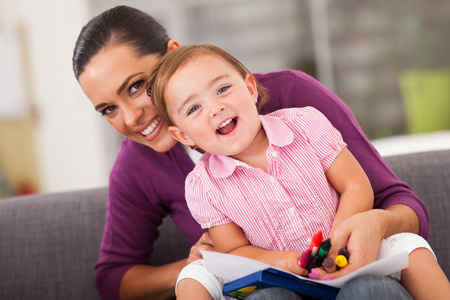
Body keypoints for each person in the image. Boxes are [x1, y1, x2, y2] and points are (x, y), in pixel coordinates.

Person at [72, 5, 431, 300]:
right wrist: (196, 263)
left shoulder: (293, 101)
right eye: (108, 109)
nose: (132, 117)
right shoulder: (139, 164)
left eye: (136, 86)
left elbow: (401, 204)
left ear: (173, 55)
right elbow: (113, 278)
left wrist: (377, 221)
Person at [147, 43, 450, 300]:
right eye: (193, 108)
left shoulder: (305, 124)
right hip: (281, 275)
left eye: (223, 89)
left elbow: (356, 185)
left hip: (349, 251)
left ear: (250, 88)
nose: (215, 107)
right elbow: (233, 250)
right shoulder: (203, 185)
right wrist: (285, 262)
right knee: (218, 284)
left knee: (411, 248)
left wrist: (338, 240)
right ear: (183, 136)